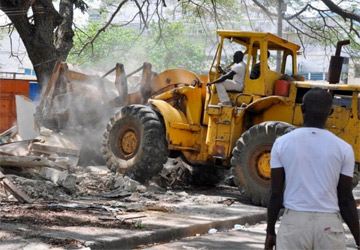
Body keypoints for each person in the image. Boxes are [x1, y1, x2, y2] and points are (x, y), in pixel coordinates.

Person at [265, 87, 359, 250]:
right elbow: (345, 199)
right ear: (330, 112)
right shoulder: (344, 148)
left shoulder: (281, 144)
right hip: (329, 226)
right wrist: (358, 239)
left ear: (302, 108)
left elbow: (275, 194)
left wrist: (270, 231)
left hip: (294, 224)